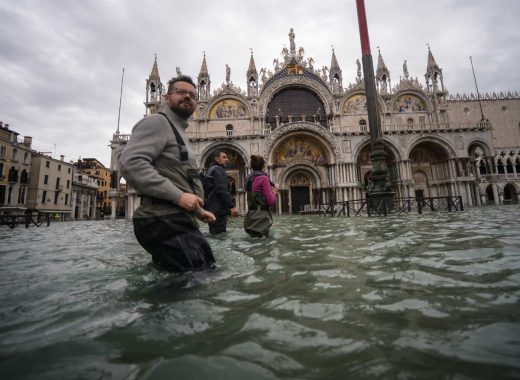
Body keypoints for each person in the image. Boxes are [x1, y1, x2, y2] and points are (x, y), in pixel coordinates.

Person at [119, 75, 216, 272]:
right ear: (166, 97)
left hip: (174, 219)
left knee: (194, 277)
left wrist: (198, 211)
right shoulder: (157, 122)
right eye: (181, 92)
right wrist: (179, 197)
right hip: (164, 220)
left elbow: (180, 177)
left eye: (192, 94)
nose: (187, 97)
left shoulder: (178, 131)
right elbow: (130, 163)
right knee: (196, 283)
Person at [203, 151, 238, 234]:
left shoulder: (211, 169)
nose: (227, 159)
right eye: (224, 157)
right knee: (220, 236)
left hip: (211, 210)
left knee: (214, 235)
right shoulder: (218, 170)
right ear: (217, 159)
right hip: (219, 211)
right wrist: (232, 206)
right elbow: (221, 190)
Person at [244, 155, 279, 238]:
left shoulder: (248, 178)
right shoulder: (264, 178)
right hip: (261, 219)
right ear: (263, 166)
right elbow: (271, 201)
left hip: (250, 217)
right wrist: (275, 191)